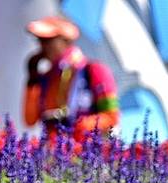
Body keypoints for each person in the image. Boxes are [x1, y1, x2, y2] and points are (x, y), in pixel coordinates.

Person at [23, 15, 120, 144]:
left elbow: (111, 117)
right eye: (40, 40)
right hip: (54, 156)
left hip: (88, 155)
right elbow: (30, 120)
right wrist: (32, 79)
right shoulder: (45, 79)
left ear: (65, 40)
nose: (42, 46)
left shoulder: (95, 71)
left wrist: (78, 125)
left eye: (48, 40)